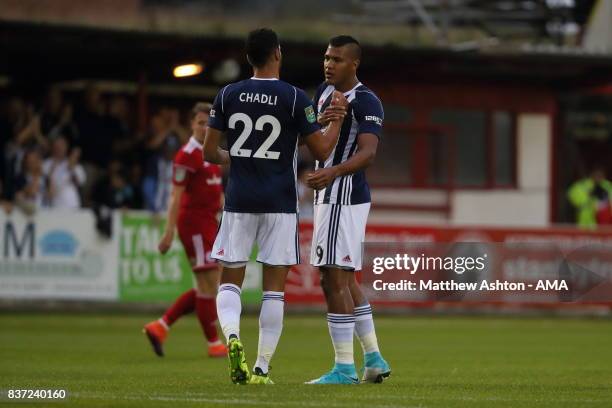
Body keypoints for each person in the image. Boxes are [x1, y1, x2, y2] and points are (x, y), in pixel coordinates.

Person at [204, 28, 347, 385]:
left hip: (239, 202)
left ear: (248, 57)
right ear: (278, 54)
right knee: (274, 290)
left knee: (229, 283)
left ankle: (232, 338)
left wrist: (235, 156)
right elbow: (321, 151)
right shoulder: (296, 98)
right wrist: (337, 121)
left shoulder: (228, 94)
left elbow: (209, 153)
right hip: (279, 205)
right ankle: (261, 368)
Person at [305, 35, 391, 384]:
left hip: (343, 195)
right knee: (345, 278)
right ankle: (373, 358)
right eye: (326, 57)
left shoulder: (367, 100)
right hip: (328, 194)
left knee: (332, 278)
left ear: (354, 63)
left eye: (337, 59)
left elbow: (369, 152)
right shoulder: (323, 94)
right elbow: (313, 135)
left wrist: (333, 171)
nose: (329, 64)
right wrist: (320, 121)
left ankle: (343, 368)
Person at [143, 102, 227, 359]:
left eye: (209, 123)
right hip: (194, 225)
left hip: (210, 224)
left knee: (210, 284)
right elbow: (175, 197)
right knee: (209, 285)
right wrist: (169, 232)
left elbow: (216, 193)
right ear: (191, 124)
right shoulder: (187, 156)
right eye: (200, 123)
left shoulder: (212, 153)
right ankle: (214, 343)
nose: (205, 128)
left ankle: (161, 326)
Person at [43, 136, 86, 209]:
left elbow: (81, 182)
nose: (59, 149)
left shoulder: (74, 164)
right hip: (54, 205)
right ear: (53, 147)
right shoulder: (46, 164)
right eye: (57, 146)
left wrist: (72, 168)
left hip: (72, 204)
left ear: (66, 147)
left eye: (62, 146)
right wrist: (51, 172)